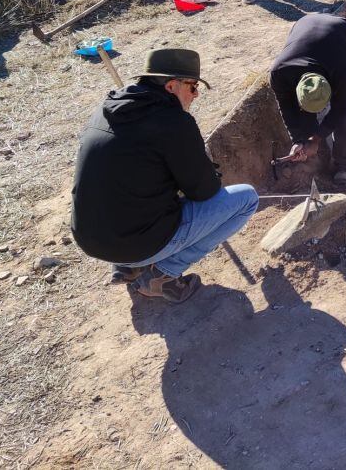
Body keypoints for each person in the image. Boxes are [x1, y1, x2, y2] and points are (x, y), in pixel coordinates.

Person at [70, 49, 258, 304]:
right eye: (192, 87)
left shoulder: (105, 109)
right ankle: (162, 275)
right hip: (132, 242)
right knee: (247, 199)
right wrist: (199, 166)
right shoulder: (174, 122)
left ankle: (127, 267)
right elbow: (204, 192)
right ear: (171, 86)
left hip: (90, 237)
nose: (196, 94)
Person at [270, 13, 346, 186]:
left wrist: (316, 138)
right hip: (305, 22)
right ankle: (321, 154)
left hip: (343, 31)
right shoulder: (279, 73)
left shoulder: (342, 75)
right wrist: (299, 139)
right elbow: (287, 108)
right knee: (304, 114)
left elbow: (341, 108)